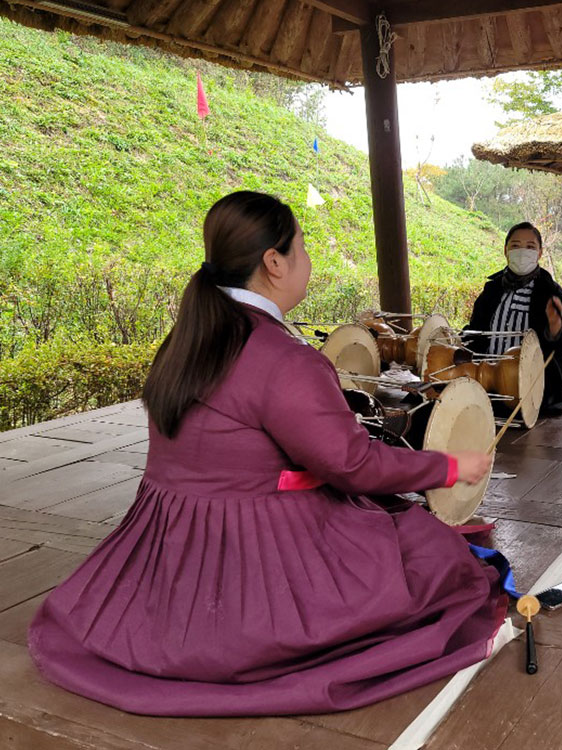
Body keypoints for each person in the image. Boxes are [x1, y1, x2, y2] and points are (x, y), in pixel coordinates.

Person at [28, 191, 507, 717]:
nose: (307, 260)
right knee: (433, 560)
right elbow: (352, 465)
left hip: (170, 537)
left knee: (401, 532)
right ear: (274, 263)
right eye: (301, 248)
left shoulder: (190, 337)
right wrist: (450, 466)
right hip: (253, 540)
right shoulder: (280, 357)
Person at [465, 222, 562, 415]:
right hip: (487, 378)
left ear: (540, 253)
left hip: (536, 383)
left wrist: (555, 327)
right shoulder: (492, 289)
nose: (522, 252)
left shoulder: (549, 291)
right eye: (515, 246)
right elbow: (475, 330)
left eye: (530, 247)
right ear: (506, 250)